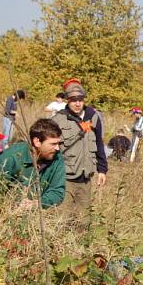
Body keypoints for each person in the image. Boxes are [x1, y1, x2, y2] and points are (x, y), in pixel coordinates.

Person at [51, 78, 108, 222]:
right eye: (73, 100)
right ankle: (62, 244)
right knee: (62, 218)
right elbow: (50, 149)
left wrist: (102, 170)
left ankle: (82, 243)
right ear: (67, 101)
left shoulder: (93, 117)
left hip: (85, 178)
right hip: (65, 178)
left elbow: (99, 145)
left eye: (80, 99)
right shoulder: (58, 120)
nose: (77, 103)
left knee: (84, 220)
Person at [0, 118, 65, 209]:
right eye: (53, 144)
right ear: (37, 142)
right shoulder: (10, 157)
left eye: (58, 143)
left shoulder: (56, 157)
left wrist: (37, 203)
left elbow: (57, 191)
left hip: (35, 215)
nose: (57, 148)